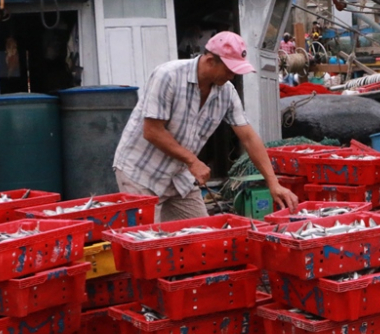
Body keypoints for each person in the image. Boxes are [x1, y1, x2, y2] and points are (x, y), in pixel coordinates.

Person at [114, 31, 299, 222]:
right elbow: (152, 131)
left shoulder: (226, 91)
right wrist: (193, 161)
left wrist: (273, 183)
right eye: (229, 70)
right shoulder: (168, 75)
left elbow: (249, 138)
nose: (232, 76)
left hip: (179, 178)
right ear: (210, 61)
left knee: (203, 235)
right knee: (146, 242)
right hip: (141, 173)